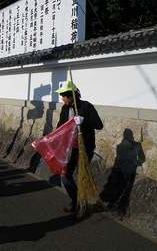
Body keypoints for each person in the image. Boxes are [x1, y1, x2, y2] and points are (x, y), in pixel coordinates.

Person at [55, 81, 103, 213]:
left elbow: (99, 125)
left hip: (85, 147)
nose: (62, 98)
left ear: (71, 95)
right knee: (65, 176)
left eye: (64, 96)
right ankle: (76, 200)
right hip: (70, 148)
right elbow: (60, 126)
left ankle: (86, 202)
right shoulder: (65, 108)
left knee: (82, 175)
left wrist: (84, 120)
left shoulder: (86, 107)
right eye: (62, 96)